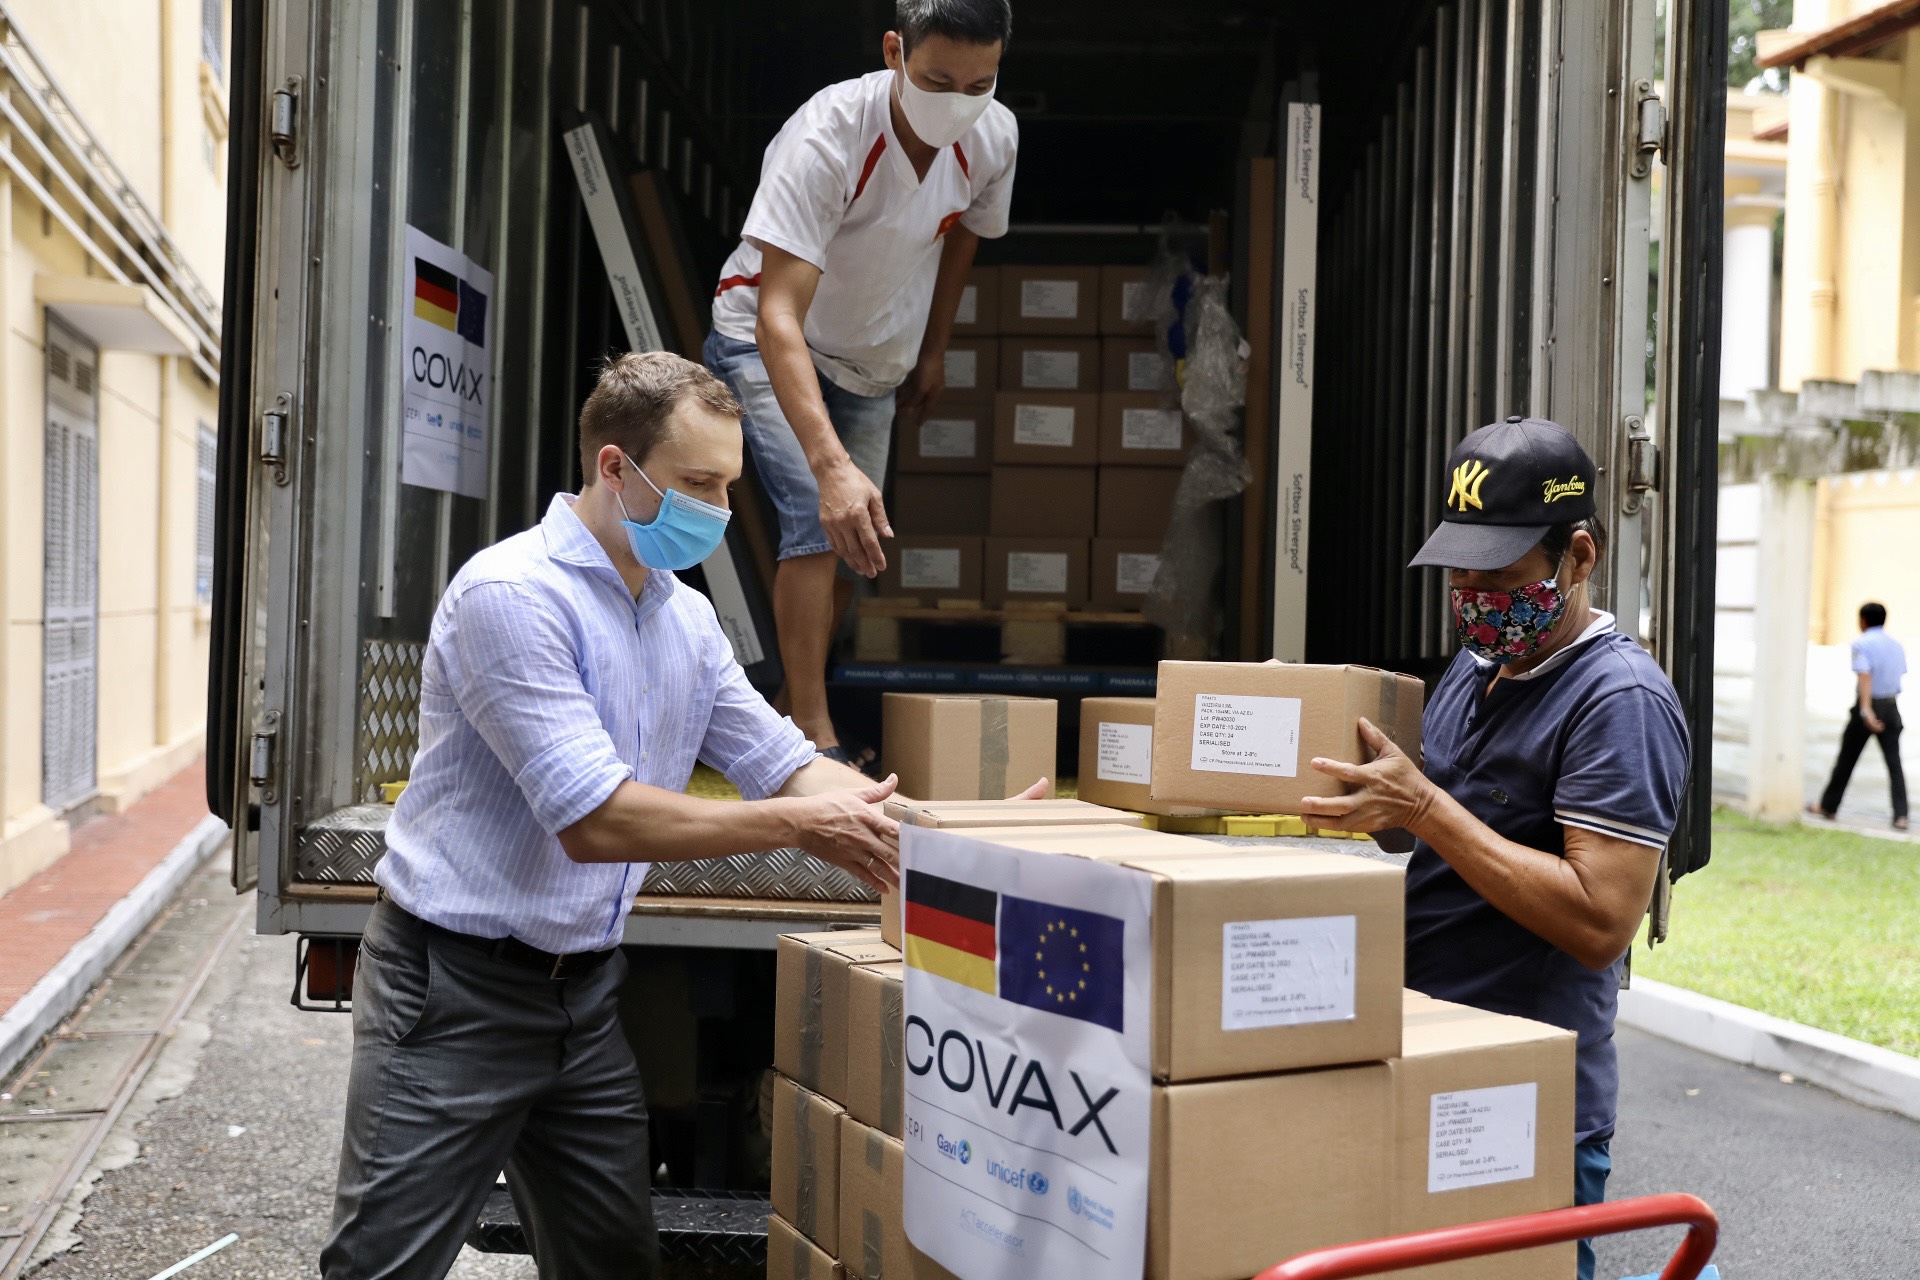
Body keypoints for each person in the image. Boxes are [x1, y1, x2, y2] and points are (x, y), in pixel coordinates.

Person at [320, 353, 1043, 1280]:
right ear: (614, 467)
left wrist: (955, 833)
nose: (719, 509)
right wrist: (801, 830)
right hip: (454, 992)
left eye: (729, 487)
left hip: (582, 996)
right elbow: (596, 821)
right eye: (698, 484)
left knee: (614, 1263)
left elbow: (787, 767)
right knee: (381, 1265)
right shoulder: (513, 597)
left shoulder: (684, 619)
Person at [1298, 417, 1691, 1280]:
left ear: (1578, 557)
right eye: (1460, 573)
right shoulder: (1479, 668)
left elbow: (1600, 922)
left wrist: (1425, 807)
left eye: (1500, 574)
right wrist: (1364, 801)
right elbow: (1435, 829)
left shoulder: (1618, 701)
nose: (1474, 595)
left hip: (1523, 1093)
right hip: (1424, 1052)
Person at [704, 0, 1018, 766]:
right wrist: (831, 466)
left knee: (857, 544)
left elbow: (965, 237)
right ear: (893, 52)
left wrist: (934, 350)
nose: (958, 103)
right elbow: (778, 314)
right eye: (938, 80)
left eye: (979, 85)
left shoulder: (995, 136)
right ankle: (814, 742)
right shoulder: (828, 137)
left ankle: (787, 712)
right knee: (822, 519)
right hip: (767, 340)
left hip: (875, 362)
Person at [1809, 602, 1908, 831]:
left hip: (1868, 706)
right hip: (1891, 706)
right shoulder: (1896, 645)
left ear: (1862, 620)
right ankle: (1901, 816)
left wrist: (1866, 710)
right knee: (1894, 764)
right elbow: (1899, 675)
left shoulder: (1861, 643)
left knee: (1846, 759)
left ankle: (1828, 806)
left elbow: (1865, 675)